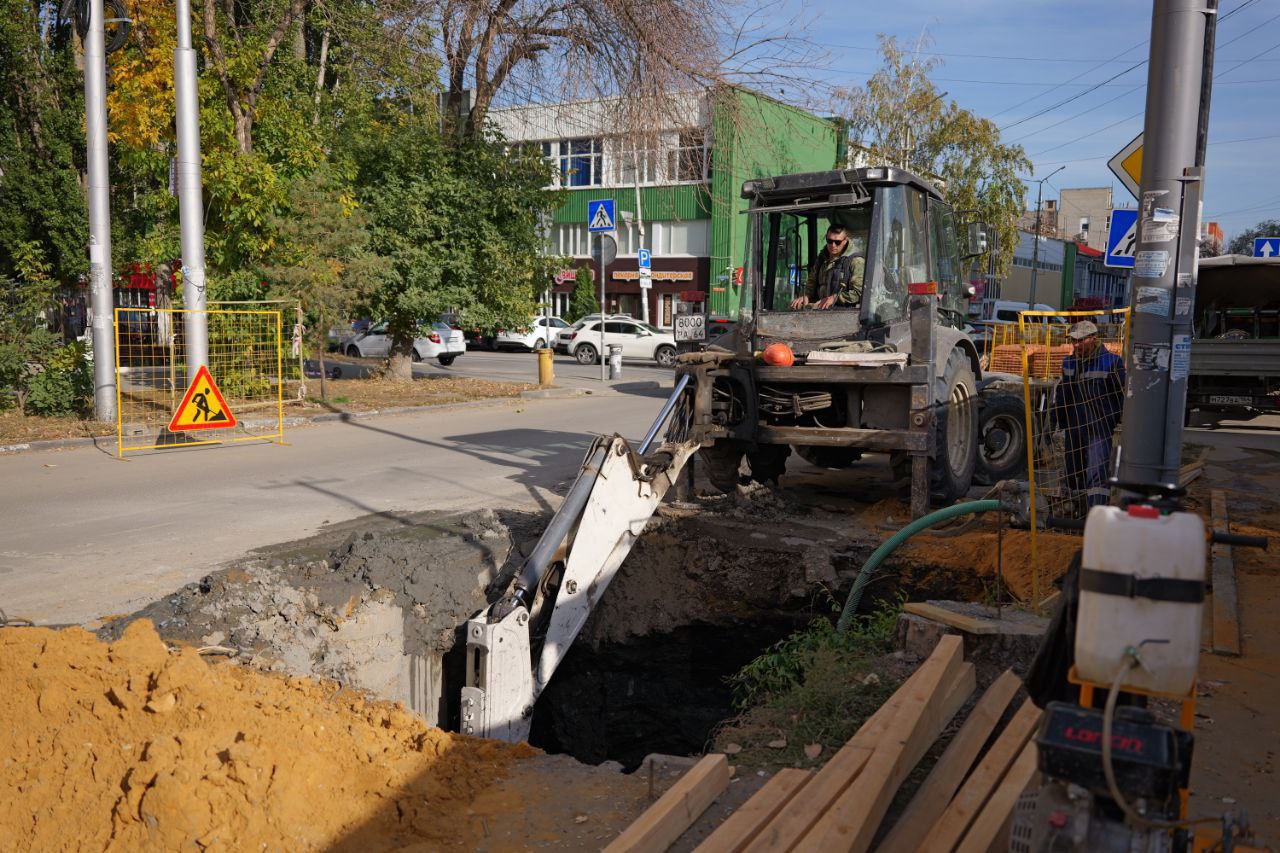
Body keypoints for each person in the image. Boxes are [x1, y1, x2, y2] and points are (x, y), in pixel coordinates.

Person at [1051, 320, 1125, 512]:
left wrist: (1113, 420)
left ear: (1093, 338)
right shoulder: (1069, 362)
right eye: (1073, 341)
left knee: (1096, 471)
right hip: (1075, 426)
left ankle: (1096, 513)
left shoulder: (1111, 362)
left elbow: (1120, 396)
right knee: (1074, 471)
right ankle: (1077, 511)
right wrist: (1058, 421)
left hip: (1099, 428)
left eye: (1081, 340)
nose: (1076, 345)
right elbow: (1063, 394)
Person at [789, 225, 865, 310]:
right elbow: (811, 282)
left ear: (845, 241)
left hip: (844, 314)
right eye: (829, 241)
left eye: (837, 242)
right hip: (819, 312)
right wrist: (806, 296)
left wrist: (834, 298)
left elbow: (859, 293)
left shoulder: (855, 261)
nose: (833, 245)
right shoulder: (822, 258)